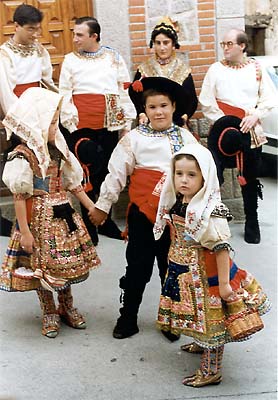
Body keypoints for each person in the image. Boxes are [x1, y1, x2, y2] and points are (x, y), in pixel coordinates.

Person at [89, 77, 197, 339]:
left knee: (171, 270)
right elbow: (116, 174)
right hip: (142, 215)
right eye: (152, 107)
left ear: (173, 107)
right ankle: (128, 317)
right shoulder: (134, 139)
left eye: (163, 106)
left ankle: (171, 319)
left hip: (174, 217)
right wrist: (102, 206)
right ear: (145, 110)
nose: (158, 112)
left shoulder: (185, 138)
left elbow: (200, 173)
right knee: (137, 268)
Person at [154, 143, 270, 387]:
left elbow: (221, 248)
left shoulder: (209, 210)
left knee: (212, 322)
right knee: (197, 317)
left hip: (207, 276)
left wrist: (225, 285)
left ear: (205, 177)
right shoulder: (179, 202)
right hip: (183, 271)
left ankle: (211, 370)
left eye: (192, 175)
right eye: (179, 173)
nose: (183, 180)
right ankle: (201, 342)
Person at [0, 87, 100, 338]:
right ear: (37, 121)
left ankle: (67, 306)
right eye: (52, 122)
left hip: (63, 217)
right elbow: (20, 196)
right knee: (40, 267)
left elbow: (72, 183)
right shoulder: (23, 155)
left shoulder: (57, 148)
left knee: (65, 266)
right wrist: (24, 231)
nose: (56, 127)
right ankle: (49, 310)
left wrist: (91, 207)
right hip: (37, 219)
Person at [59, 16, 136, 246]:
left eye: (79, 35)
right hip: (80, 125)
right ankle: (88, 222)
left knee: (105, 173)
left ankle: (104, 220)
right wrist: (70, 124)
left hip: (109, 124)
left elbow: (123, 89)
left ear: (94, 36)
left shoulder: (113, 57)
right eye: (74, 34)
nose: (74, 39)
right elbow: (65, 93)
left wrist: (125, 126)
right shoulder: (70, 60)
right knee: (85, 171)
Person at [199, 28, 277, 244]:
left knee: (249, 177)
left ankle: (252, 221)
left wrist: (255, 116)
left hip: (249, 130)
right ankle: (213, 223)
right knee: (215, 175)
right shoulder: (215, 69)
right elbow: (207, 101)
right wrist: (225, 122)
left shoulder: (256, 69)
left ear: (242, 46)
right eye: (223, 44)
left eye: (229, 44)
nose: (225, 48)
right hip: (223, 132)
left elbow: (268, 99)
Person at [128, 16, 198, 129]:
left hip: (176, 123)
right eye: (158, 43)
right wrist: (141, 114)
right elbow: (135, 96)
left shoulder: (183, 69)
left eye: (166, 43)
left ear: (173, 45)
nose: (162, 48)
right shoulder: (144, 68)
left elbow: (192, 101)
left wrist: (184, 118)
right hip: (148, 123)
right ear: (153, 45)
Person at [0, 3, 56, 118]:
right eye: (30, 29)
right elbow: (6, 93)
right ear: (16, 26)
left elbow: (48, 82)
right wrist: (17, 118)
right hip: (18, 107)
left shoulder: (39, 50)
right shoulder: (5, 54)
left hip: (40, 106)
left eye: (37, 29)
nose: (36, 34)